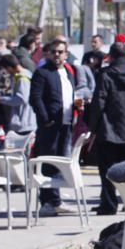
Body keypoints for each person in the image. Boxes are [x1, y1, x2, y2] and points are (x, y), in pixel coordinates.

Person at [88, 42, 125, 216]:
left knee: (106, 169)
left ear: (110, 56)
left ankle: (108, 203)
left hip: (108, 128)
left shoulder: (106, 74)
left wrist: (92, 125)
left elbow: (99, 101)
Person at [29, 39, 82, 217]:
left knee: (59, 164)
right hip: (50, 126)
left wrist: (76, 106)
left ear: (66, 54)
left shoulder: (68, 72)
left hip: (66, 123)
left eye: (60, 52)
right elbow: (35, 98)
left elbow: (68, 96)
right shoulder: (42, 73)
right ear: (47, 54)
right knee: (47, 163)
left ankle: (56, 200)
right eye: (54, 52)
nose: (57, 55)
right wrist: (45, 120)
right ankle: (46, 202)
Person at [0, 53, 35, 134]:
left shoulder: (23, 78)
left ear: (9, 67)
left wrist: (0, 99)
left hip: (24, 123)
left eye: (5, 69)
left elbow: (21, 99)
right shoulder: (24, 75)